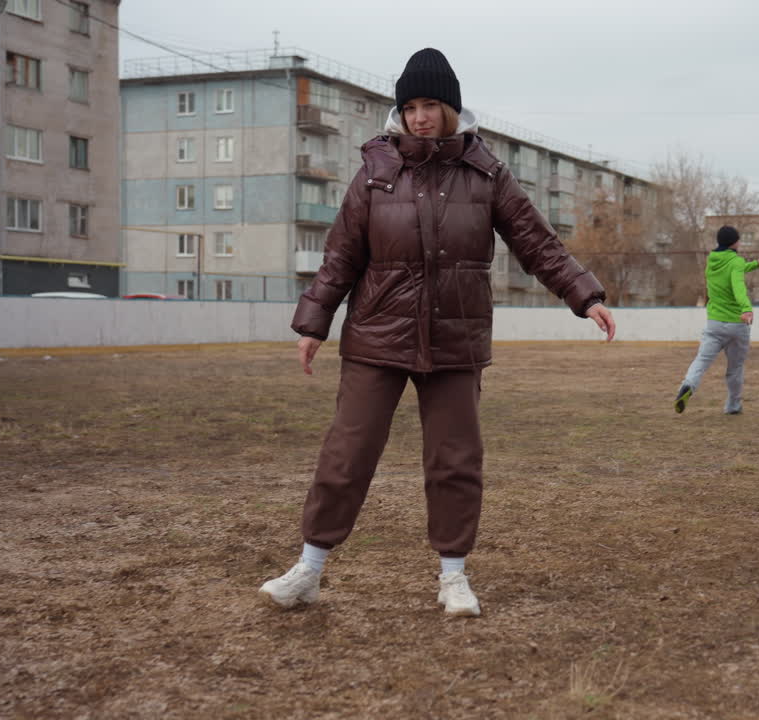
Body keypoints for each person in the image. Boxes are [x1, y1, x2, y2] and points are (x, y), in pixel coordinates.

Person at [260, 48, 617, 617]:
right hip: (377, 336)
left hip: (455, 339)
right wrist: (313, 322)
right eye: (410, 106)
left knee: (455, 460)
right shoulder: (375, 173)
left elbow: (536, 241)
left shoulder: (487, 174)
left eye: (431, 105)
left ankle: (454, 577)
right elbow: (340, 255)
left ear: (452, 109)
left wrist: (585, 295)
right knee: (347, 456)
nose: (420, 116)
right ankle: (309, 568)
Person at [673, 226, 759, 415]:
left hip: (714, 323)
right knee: (735, 369)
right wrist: (746, 308)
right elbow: (737, 285)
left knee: (701, 360)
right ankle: (733, 405)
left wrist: (755, 264)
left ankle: (688, 385)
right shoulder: (735, 261)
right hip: (736, 324)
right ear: (734, 242)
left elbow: (735, 270)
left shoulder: (712, 260)